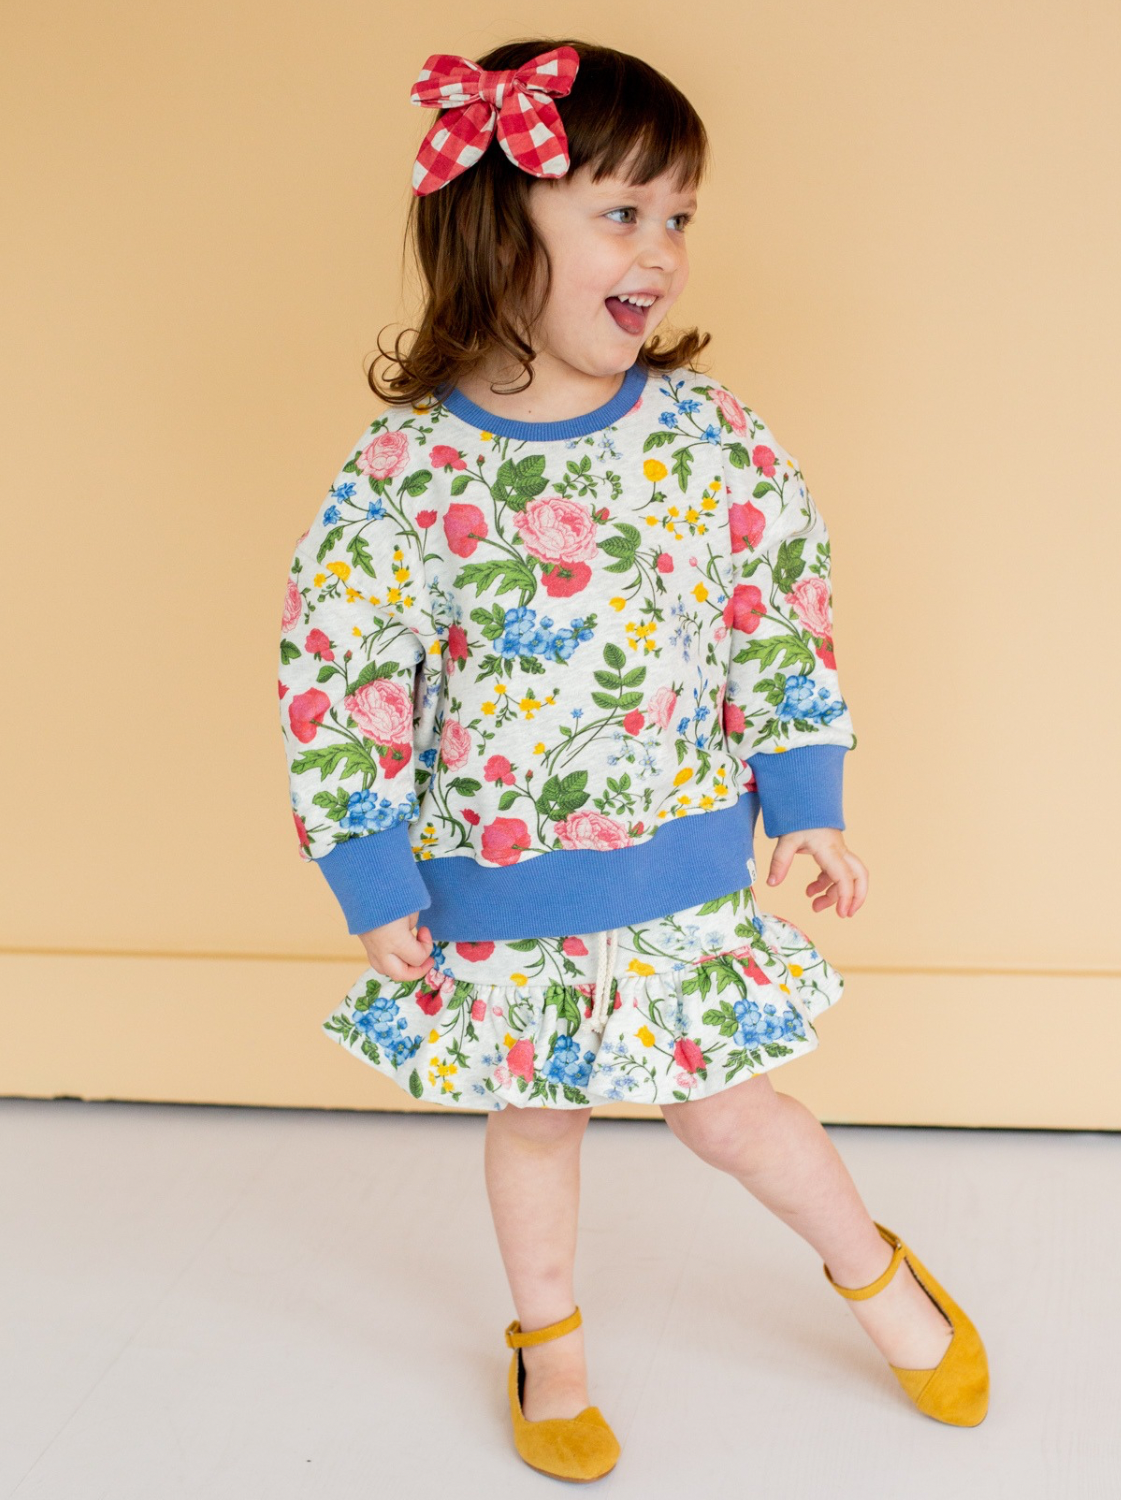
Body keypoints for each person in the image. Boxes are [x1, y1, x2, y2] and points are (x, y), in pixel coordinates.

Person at [276, 38, 989, 1482]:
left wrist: (807, 804)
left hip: (682, 865)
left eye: (678, 216)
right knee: (537, 1122)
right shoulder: (402, 476)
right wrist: (368, 870)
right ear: (500, 226)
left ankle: (878, 1275)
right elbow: (344, 678)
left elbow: (780, 613)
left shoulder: (710, 439)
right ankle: (550, 1345)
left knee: (733, 1113)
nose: (660, 249)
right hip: (496, 881)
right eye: (621, 213)